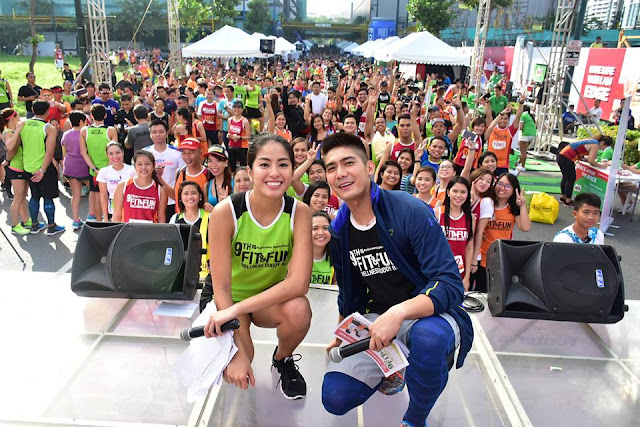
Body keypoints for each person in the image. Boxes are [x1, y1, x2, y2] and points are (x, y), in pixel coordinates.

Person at [319, 132, 472, 426]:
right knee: (335, 397)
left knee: (429, 340)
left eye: (348, 163)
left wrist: (399, 313)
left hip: (429, 314)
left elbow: (450, 284)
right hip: (379, 318)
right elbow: (350, 293)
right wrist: (341, 333)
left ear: (369, 167)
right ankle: (393, 368)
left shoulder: (409, 210)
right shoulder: (339, 229)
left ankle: (415, 418)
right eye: (331, 167)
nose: (340, 173)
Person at [202, 133, 312, 400]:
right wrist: (237, 347)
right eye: (264, 164)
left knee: (299, 310)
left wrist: (241, 309)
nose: (274, 172)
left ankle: (282, 359)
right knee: (239, 363)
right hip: (228, 300)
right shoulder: (226, 212)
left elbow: (299, 284)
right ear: (250, 171)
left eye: (283, 164)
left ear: (292, 170)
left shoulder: (300, 213)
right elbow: (221, 287)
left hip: (265, 301)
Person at [477, 173, 531, 292]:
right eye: (500, 184)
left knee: (496, 293)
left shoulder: (512, 208)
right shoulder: (486, 203)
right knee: (480, 291)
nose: (502, 188)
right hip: (482, 256)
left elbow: (525, 227)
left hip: (500, 256)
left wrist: (522, 206)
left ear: (513, 190)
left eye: (507, 186)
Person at [19, 100, 65, 235]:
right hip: (44, 167)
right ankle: (51, 226)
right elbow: (49, 152)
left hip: (28, 166)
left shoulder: (24, 124)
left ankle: (34, 225)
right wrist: (42, 170)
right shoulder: (48, 128)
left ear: (33, 110)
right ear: (48, 112)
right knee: (48, 197)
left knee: (34, 196)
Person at [434, 177, 475, 290]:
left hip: (460, 272)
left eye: (463, 192)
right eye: (455, 191)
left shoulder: (470, 218)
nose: (459, 195)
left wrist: (467, 277)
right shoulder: (437, 212)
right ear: (448, 192)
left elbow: (469, 247)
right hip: (438, 270)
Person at [79, 104, 118, 222]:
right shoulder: (111, 130)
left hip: (94, 171)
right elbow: (115, 151)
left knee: (96, 194)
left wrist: (94, 169)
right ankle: (110, 218)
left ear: (91, 116)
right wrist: (106, 168)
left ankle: (98, 220)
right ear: (105, 115)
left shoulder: (84, 130)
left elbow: (83, 152)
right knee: (111, 195)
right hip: (109, 169)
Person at [143, 119, 185, 221]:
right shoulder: (144, 153)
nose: (158, 135)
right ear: (150, 135)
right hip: (150, 200)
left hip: (172, 200)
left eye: (161, 132)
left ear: (167, 133)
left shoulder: (177, 153)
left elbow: (182, 177)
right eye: (154, 132)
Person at [556, 135, 612, 207]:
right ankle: (568, 200)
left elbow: (579, 150)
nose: (602, 149)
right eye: (604, 147)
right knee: (571, 179)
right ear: (603, 143)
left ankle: (563, 197)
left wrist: (584, 158)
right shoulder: (595, 145)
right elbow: (591, 161)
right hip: (567, 158)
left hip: (562, 155)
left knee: (566, 177)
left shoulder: (590, 141)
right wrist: (602, 166)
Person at [170, 181, 210, 279]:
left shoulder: (210, 217)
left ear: (200, 196)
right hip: (180, 272)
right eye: (186, 193)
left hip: (205, 273)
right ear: (180, 198)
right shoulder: (175, 219)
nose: (190, 197)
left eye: (193, 193)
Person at [112, 150, 167, 223]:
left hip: (150, 230)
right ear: (135, 166)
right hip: (127, 229)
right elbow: (117, 215)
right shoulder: (123, 186)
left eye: (147, 164)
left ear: (153, 166)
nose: (143, 167)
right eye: (139, 164)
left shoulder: (160, 190)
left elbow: (161, 219)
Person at [1, 108, 31, 235]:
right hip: (15, 168)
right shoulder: (7, 132)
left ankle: (26, 220)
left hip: (23, 166)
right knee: (18, 198)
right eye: (17, 115)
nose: (19, 117)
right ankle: (14, 226)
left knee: (23, 196)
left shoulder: (13, 130)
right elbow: (10, 146)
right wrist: (18, 130)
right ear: (11, 118)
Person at [61, 111, 91, 229]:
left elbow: (64, 151)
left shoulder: (66, 134)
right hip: (83, 165)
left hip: (69, 165)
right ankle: (94, 216)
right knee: (94, 192)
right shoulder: (85, 134)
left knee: (75, 194)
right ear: (81, 122)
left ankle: (76, 219)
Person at [97, 141, 135, 221]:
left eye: (118, 152)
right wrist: (105, 218)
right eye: (111, 154)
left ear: (123, 152)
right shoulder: (103, 172)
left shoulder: (132, 170)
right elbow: (103, 196)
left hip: (130, 211)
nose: (115, 156)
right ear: (107, 155)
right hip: (113, 212)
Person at [485, 101, 524, 176]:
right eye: (501, 118)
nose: (503, 121)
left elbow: (518, 117)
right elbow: (488, 116)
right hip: (490, 164)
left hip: (503, 166)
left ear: (508, 120)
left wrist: (521, 103)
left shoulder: (510, 131)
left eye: (505, 119)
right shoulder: (492, 129)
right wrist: (487, 102)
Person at [204, 144, 233, 211]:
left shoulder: (236, 181)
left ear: (226, 162)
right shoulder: (207, 186)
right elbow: (205, 205)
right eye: (210, 161)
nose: (213, 165)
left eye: (218, 161)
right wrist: (205, 205)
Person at [310, 211, 335, 288]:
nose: (320, 233)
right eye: (315, 228)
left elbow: (336, 283)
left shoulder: (336, 256)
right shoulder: (296, 255)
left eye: (325, 228)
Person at [227, 101, 251, 173]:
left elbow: (249, 136)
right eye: (235, 107)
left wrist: (239, 137)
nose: (236, 109)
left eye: (239, 108)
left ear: (242, 109)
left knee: (243, 166)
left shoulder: (244, 121)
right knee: (232, 166)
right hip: (232, 145)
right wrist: (229, 135)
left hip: (242, 147)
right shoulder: (230, 120)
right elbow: (229, 132)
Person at [517, 105, 536, 171]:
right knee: (524, 151)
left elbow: (521, 127)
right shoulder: (530, 116)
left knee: (523, 151)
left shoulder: (523, 115)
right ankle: (519, 162)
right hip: (533, 134)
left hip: (526, 134)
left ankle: (522, 166)